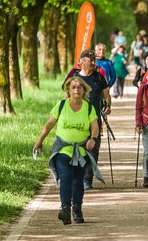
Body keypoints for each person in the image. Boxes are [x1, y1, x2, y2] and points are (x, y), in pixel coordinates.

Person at [33, 76, 101, 225]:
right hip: (63, 149)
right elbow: (49, 124)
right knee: (66, 177)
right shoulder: (61, 105)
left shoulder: (89, 107)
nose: (76, 89)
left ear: (84, 90)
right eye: (73, 87)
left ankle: (77, 209)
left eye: (79, 87)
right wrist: (39, 141)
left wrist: (93, 139)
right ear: (68, 90)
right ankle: (65, 209)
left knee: (78, 181)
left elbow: (95, 127)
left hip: (81, 152)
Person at [65, 49, 112, 190]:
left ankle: (87, 179)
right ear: (81, 62)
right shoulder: (74, 78)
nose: (93, 63)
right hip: (76, 120)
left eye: (94, 60)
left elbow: (106, 95)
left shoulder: (99, 77)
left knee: (93, 150)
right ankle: (77, 176)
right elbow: (66, 96)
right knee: (76, 148)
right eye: (90, 60)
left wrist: (108, 105)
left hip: (94, 120)